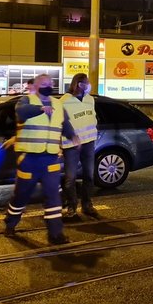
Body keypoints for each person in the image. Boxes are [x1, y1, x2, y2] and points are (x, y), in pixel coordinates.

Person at [4, 74, 77, 244]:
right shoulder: (25, 101)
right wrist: (40, 109)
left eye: (50, 83)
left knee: (53, 196)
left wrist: (73, 136)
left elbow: (65, 124)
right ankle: (10, 223)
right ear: (36, 86)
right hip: (29, 158)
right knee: (21, 195)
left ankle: (56, 234)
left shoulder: (58, 104)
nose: (48, 86)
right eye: (44, 84)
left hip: (50, 158)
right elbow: (22, 113)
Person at [61, 73, 98, 219]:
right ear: (78, 84)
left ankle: (87, 205)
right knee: (70, 178)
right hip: (71, 145)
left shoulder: (90, 99)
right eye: (86, 83)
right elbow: (61, 122)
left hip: (89, 143)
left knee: (89, 175)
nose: (89, 85)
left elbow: (92, 118)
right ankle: (71, 206)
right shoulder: (64, 101)